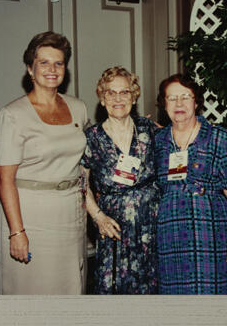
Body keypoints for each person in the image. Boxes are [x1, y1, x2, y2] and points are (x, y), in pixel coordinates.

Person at [0, 31, 88, 294]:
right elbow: (5, 180)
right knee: (31, 289)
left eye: (58, 63)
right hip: (30, 216)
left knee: (71, 287)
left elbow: (90, 157)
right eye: (44, 62)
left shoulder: (79, 107)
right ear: (30, 69)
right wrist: (16, 232)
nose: (52, 69)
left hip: (70, 214)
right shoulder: (12, 115)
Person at [154, 74, 227, 294]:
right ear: (164, 104)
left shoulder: (220, 138)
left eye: (185, 97)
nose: (179, 104)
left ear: (196, 101)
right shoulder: (157, 141)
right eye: (172, 98)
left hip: (211, 231)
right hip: (170, 233)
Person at [80, 66, 160, 294]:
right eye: (110, 93)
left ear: (134, 97)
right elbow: (81, 183)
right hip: (113, 227)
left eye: (124, 92)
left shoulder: (149, 130)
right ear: (102, 99)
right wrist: (98, 217)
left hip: (151, 226)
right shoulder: (91, 138)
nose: (118, 98)